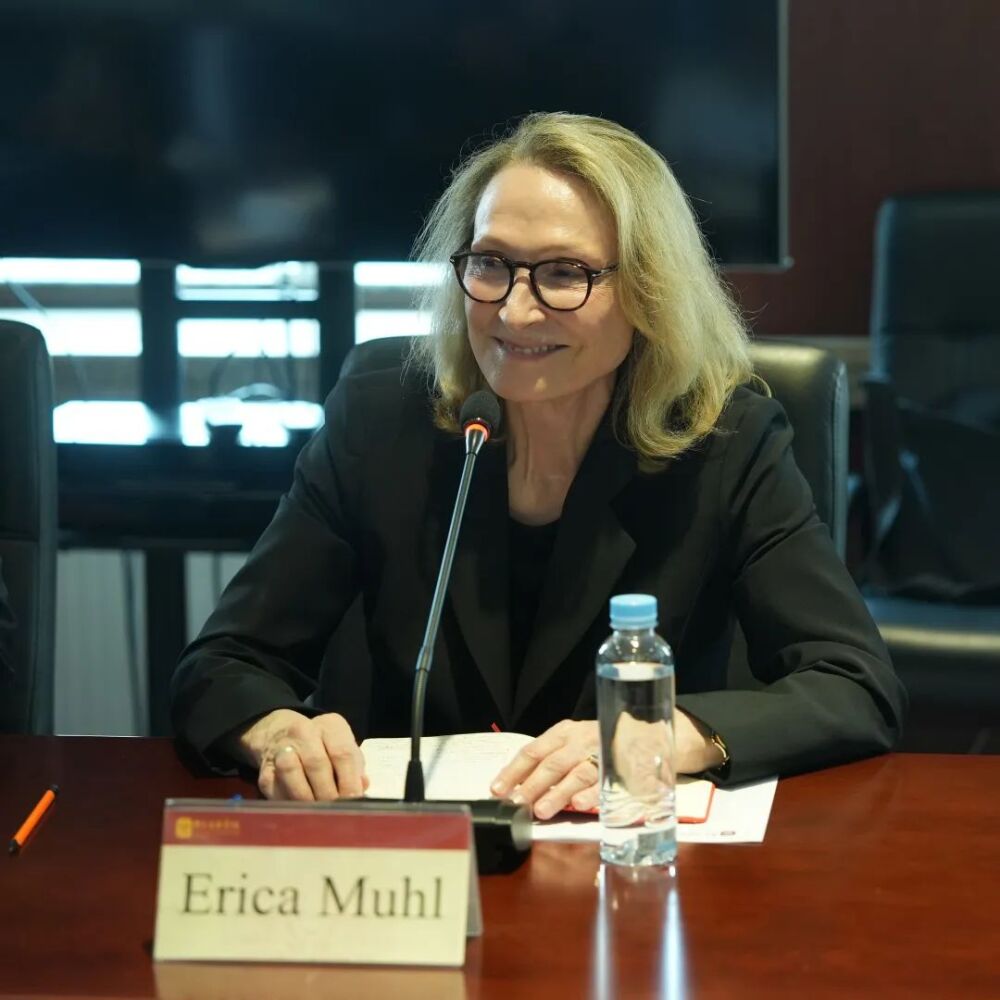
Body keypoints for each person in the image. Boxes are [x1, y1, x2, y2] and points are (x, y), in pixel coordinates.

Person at [171, 113, 905, 818]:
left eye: (564, 273)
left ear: (649, 290)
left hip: (631, 852)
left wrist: (661, 738)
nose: (515, 313)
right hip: (415, 859)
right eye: (491, 264)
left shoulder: (725, 443)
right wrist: (275, 730)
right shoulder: (379, 421)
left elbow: (853, 685)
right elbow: (223, 663)